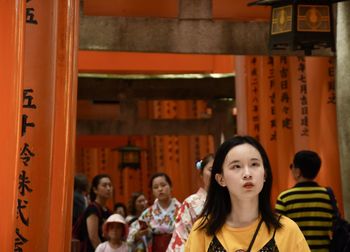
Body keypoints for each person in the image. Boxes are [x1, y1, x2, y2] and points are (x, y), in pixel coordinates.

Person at [185, 135, 310, 252]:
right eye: (236, 166)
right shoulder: (203, 232)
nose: (247, 174)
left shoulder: (287, 231)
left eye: (254, 164)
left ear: (264, 174)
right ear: (221, 179)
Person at [275, 150, 335, 251]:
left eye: (292, 166)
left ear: (298, 171)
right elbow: (333, 226)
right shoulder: (327, 196)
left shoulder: (284, 198)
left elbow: (277, 230)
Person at [167, 154, 214, 252]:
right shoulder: (190, 203)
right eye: (211, 169)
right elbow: (181, 237)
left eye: (220, 170)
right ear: (201, 174)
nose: (216, 174)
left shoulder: (234, 201)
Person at [127, 172, 181, 252]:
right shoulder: (148, 213)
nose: (160, 189)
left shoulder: (181, 209)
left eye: (163, 185)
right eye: (155, 187)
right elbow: (132, 233)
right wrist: (138, 234)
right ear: (152, 191)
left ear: (171, 187)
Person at [80, 174, 113, 252]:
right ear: (95, 190)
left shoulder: (108, 211)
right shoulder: (93, 209)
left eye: (110, 185)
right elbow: (93, 237)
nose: (108, 188)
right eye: (104, 185)